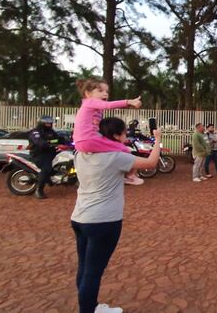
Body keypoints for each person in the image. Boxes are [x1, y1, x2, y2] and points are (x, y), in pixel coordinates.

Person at [71, 117, 162, 313]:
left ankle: (92, 306)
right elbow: (152, 162)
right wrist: (158, 139)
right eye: (123, 133)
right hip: (104, 221)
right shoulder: (115, 156)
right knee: (93, 272)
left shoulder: (81, 154)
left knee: (85, 268)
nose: (126, 136)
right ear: (115, 136)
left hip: (80, 217)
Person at [73, 78, 143, 186]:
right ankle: (130, 176)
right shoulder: (90, 102)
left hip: (81, 142)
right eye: (100, 91)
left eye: (106, 91)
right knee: (125, 149)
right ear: (88, 94)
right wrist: (130, 102)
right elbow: (109, 105)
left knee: (110, 151)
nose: (105, 94)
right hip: (89, 139)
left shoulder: (91, 108)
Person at [28, 115, 65, 199]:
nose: (49, 125)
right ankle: (39, 190)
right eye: (47, 123)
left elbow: (58, 138)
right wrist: (49, 145)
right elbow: (40, 142)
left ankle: (52, 178)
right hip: (39, 154)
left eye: (50, 123)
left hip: (51, 153)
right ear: (42, 123)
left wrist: (67, 141)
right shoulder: (35, 132)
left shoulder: (51, 131)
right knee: (46, 168)